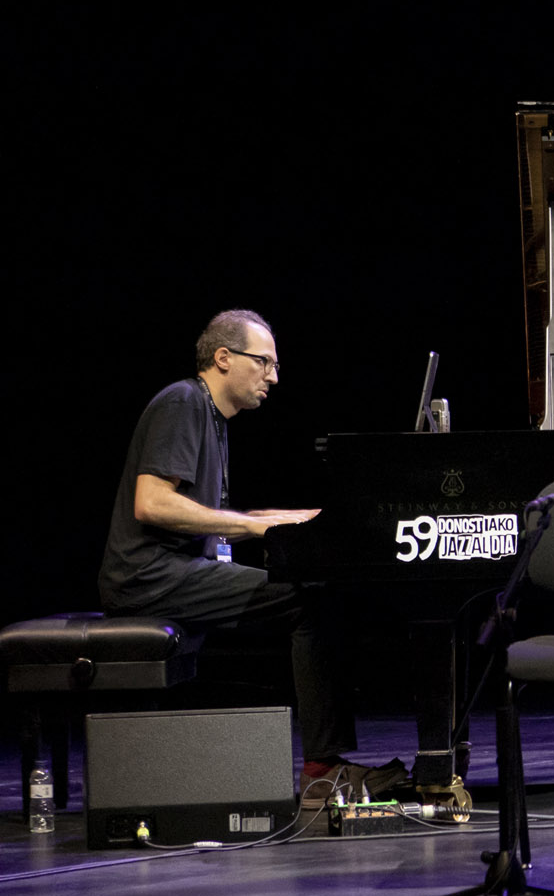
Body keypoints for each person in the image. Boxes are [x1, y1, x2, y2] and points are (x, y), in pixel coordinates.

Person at [99, 309, 405, 806]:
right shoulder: (182, 403)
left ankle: (324, 765)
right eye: (263, 362)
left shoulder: (213, 418)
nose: (273, 377)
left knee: (312, 594)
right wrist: (254, 525)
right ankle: (322, 772)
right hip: (146, 577)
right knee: (306, 602)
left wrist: (303, 517)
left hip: (176, 571)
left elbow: (208, 516)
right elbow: (152, 504)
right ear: (223, 358)